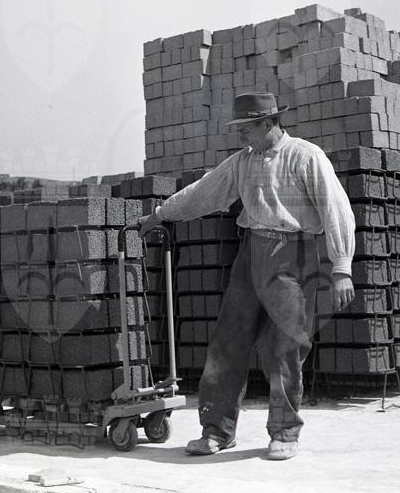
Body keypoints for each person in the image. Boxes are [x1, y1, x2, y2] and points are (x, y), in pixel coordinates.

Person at [140, 92, 355, 460]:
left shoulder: (306, 156)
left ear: (269, 123)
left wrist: (341, 268)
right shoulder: (242, 161)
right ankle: (217, 431)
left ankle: (284, 432)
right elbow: (204, 192)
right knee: (227, 342)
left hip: (295, 254)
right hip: (251, 252)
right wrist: (160, 214)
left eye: (246, 127)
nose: (240, 134)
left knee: (284, 347)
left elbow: (336, 209)